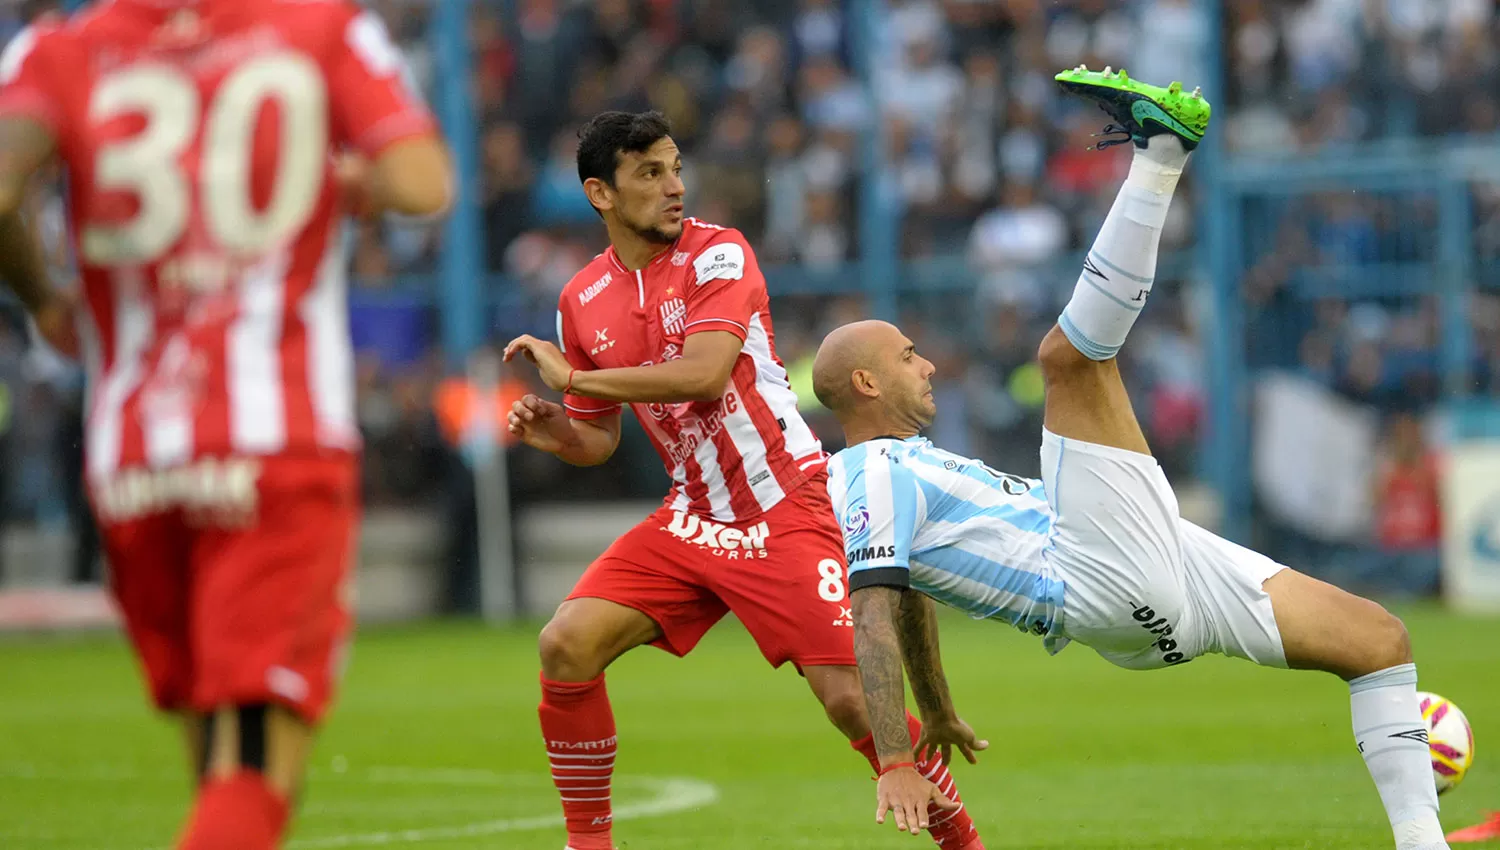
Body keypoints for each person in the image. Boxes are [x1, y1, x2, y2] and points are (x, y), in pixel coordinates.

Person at [812, 67, 1452, 850]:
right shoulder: (868, 474)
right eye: (910, 356)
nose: (930, 364)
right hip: (1094, 577)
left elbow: (905, 591)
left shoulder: (901, 471)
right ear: (869, 381)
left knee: (1379, 640)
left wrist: (936, 707)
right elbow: (873, 610)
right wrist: (894, 756)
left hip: (1148, 574)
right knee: (1070, 361)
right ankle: (1161, 151)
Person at [0, 1, 452, 847]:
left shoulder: (59, 50)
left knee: (217, 754)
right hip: (275, 448)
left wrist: (45, 298)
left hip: (132, 460)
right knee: (253, 779)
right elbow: (423, 182)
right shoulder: (319, 30)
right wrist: (347, 179)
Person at [502, 110, 984, 850]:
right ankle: (587, 844)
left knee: (852, 700)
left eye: (676, 168)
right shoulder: (580, 301)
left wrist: (572, 377)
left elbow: (703, 372)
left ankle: (965, 844)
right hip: (692, 516)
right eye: (651, 173)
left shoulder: (718, 254)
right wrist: (557, 431)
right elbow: (597, 440)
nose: (674, 187)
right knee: (565, 643)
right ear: (600, 193)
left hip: (784, 504)